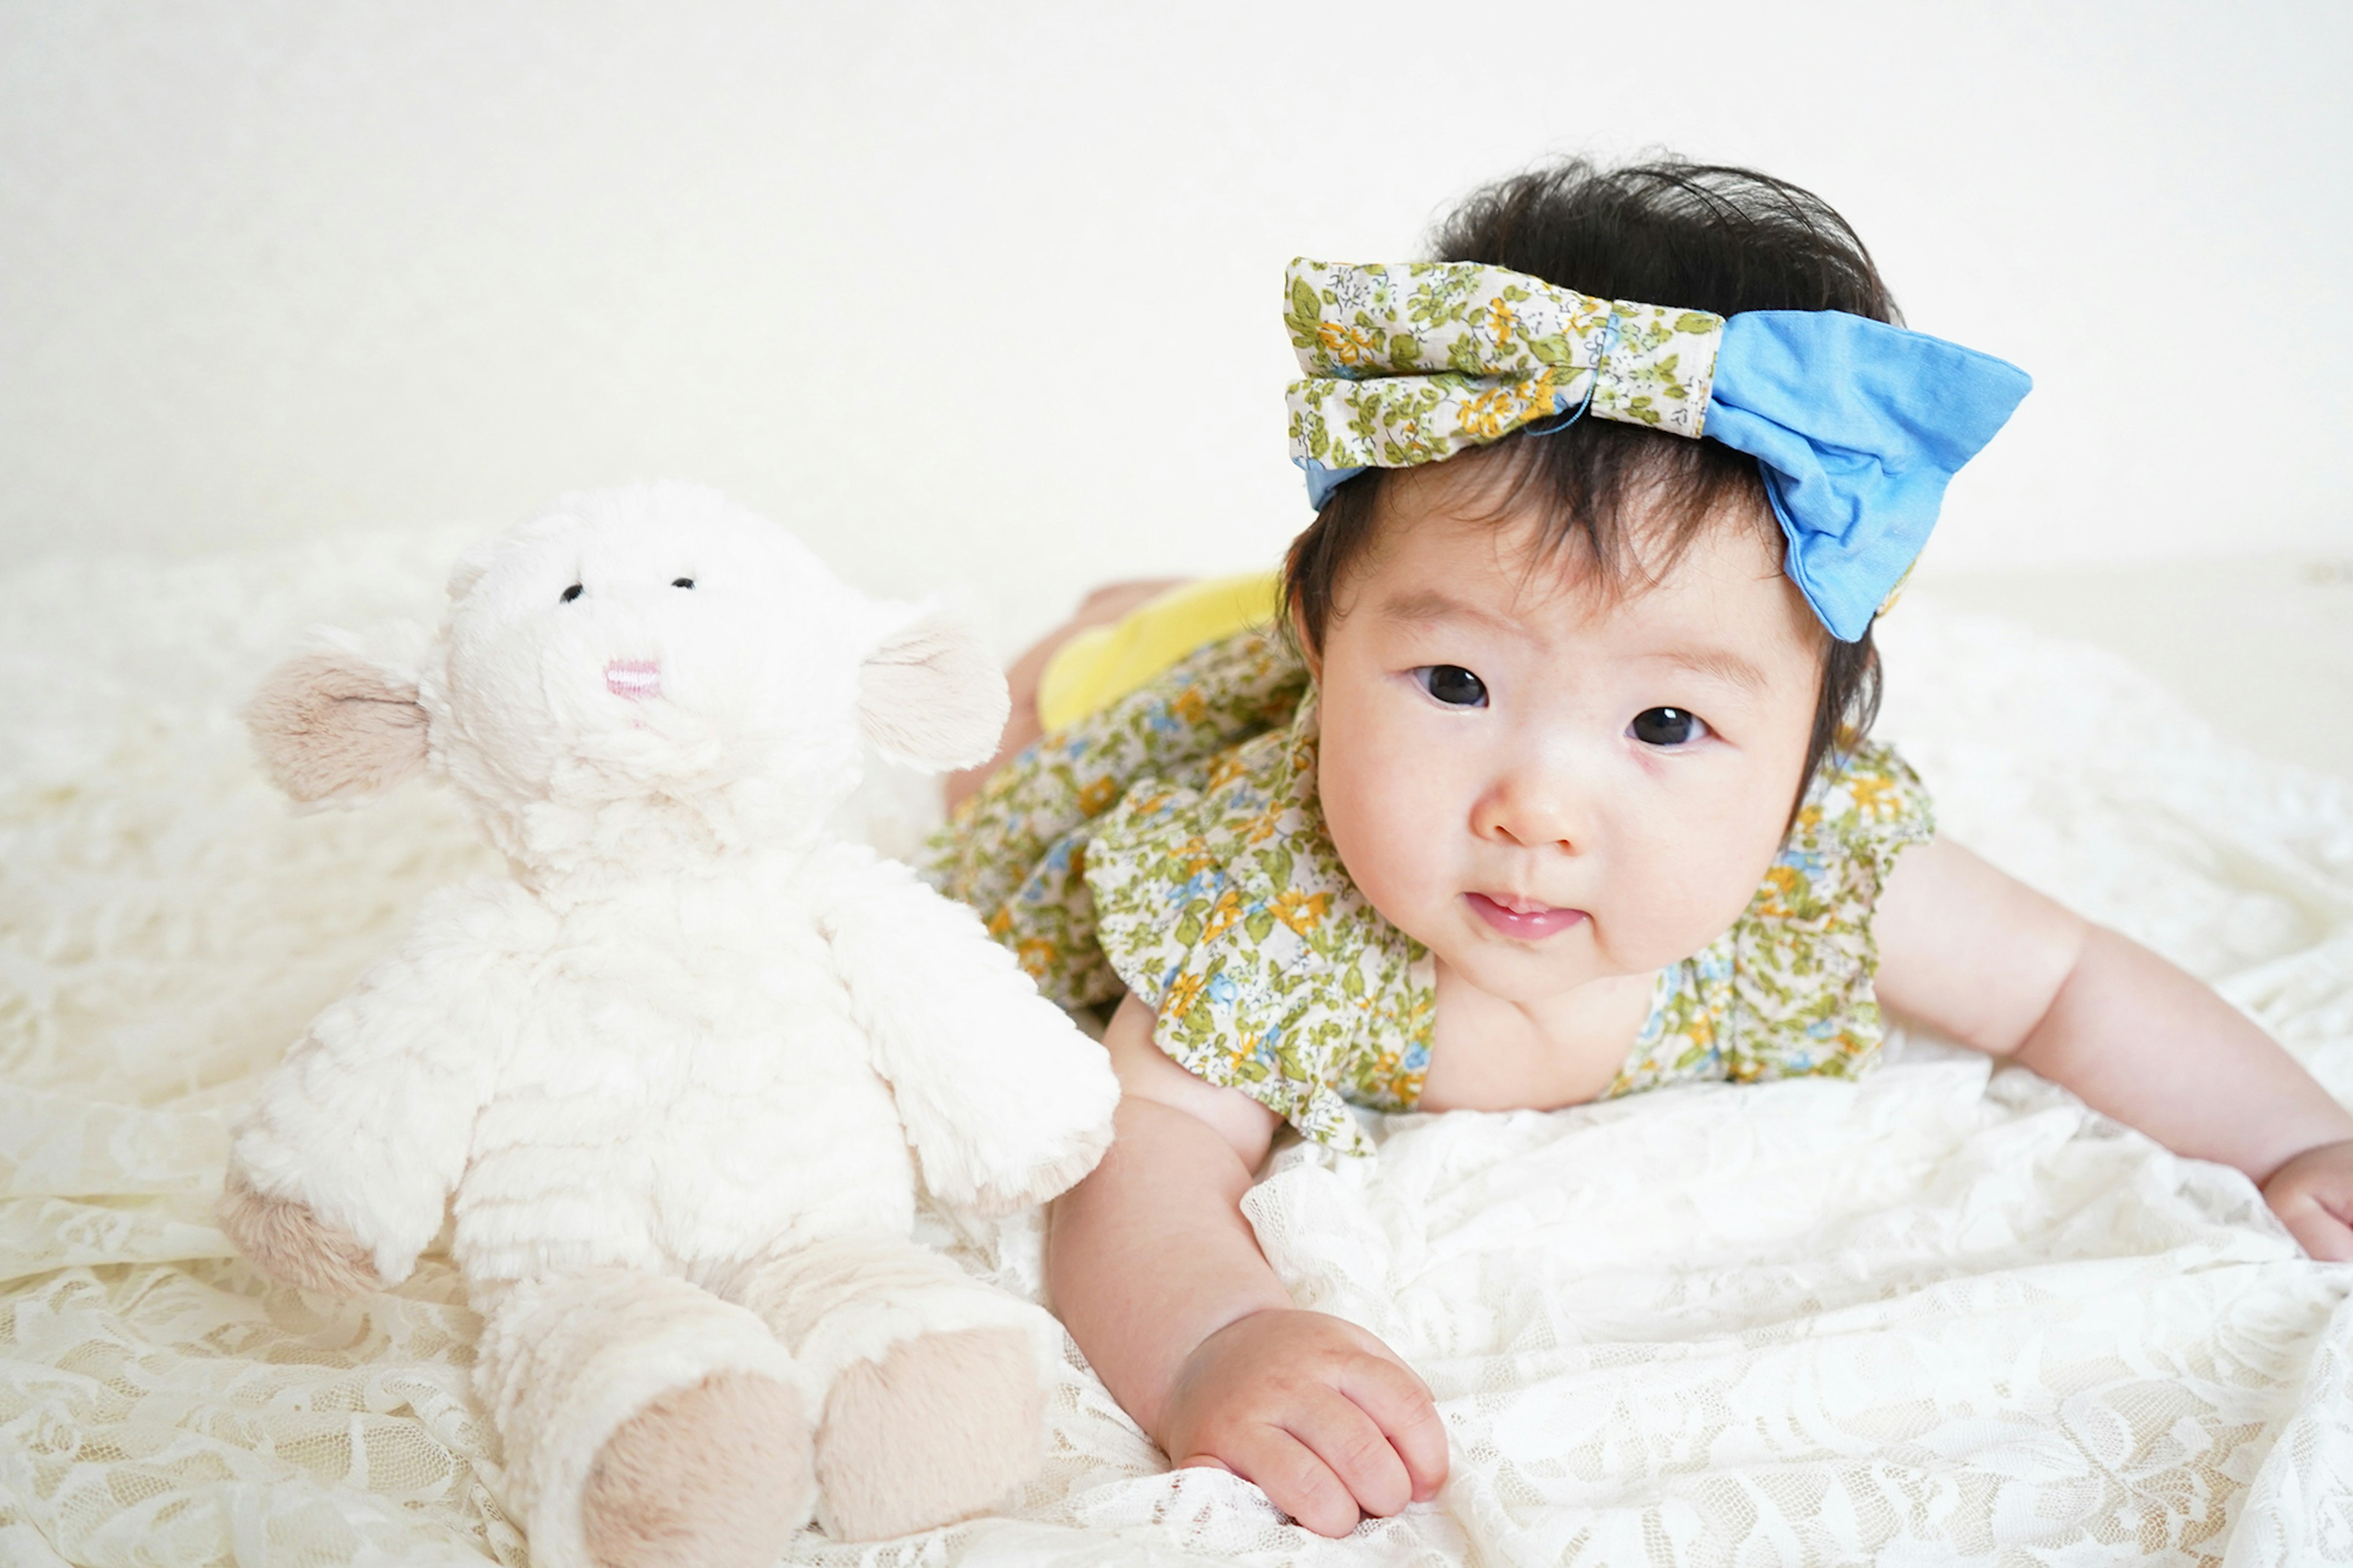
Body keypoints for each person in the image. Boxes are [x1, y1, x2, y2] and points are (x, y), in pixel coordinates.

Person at [920, 159, 2353, 1539]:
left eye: (1666, 720)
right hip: (1202, 670)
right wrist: (1214, 1338)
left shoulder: (1817, 868)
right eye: (1457, 689)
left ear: (1812, 739)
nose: (1537, 806)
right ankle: (1151, 615)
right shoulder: (1266, 895)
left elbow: (2068, 983)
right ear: (1330, 633)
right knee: (1057, 697)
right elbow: (1148, 1143)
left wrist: (2295, 1136)